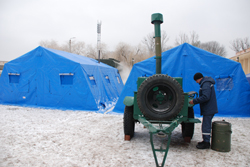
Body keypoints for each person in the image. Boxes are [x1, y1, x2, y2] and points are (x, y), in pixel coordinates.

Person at [189, 72, 218, 149]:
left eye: (196, 80)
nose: (196, 82)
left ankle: (206, 143)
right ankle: (205, 140)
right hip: (209, 108)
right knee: (206, 125)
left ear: (199, 78)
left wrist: (194, 101)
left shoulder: (205, 84)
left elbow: (206, 97)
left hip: (209, 108)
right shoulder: (206, 83)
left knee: (206, 126)